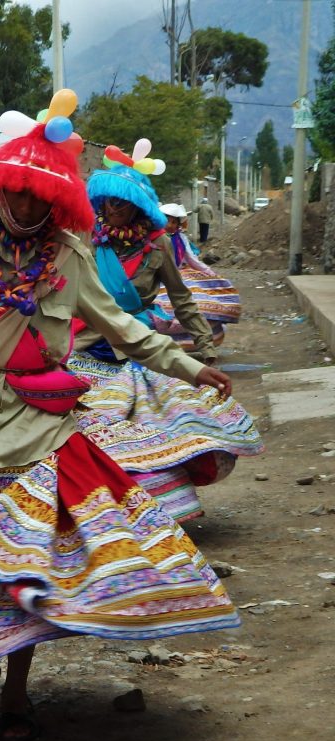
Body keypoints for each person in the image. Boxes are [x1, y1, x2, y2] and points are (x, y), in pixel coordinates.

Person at [0, 102, 240, 741]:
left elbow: (125, 328)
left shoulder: (71, 258)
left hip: (45, 431)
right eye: (18, 193)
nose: (27, 208)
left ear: (57, 200)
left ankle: (18, 694)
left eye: (40, 197)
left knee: (27, 565)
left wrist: (191, 367)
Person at [70, 151, 262, 524]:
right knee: (91, 431)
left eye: (122, 202)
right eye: (108, 201)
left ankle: (157, 510)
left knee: (158, 429)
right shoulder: (88, 244)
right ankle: (102, 513)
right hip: (87, 348)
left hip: (141, 350)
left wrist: (205, 351)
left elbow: (182, 300)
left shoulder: (158, 248)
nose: (113, 208)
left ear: (138, 207)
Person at [154, 203, 241, 354]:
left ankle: (192, 342)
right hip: (157, 276)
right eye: (167, 220)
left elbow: (191, 259)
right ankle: (158, 346)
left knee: (196, 305)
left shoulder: (180, 239)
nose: (170, 225)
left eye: (174, 222)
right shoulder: (153, 238)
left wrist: (209, 272)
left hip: (178, 275)